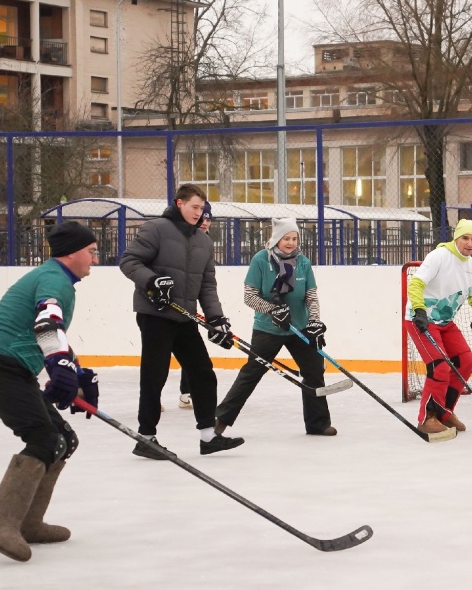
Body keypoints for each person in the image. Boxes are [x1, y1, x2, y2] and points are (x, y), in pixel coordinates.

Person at [0, 221, 101, 562]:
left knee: (62, 438)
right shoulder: (55, 279)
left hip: (12, 369)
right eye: (91, 251)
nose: (95, 260)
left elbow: (48, 332)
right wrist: (59, 366)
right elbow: (46, 323)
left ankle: (28, 523)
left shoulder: (54, 277)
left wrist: (76, 369)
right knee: (45, 440)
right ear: (72, 252)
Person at [119, 184, 243, 458]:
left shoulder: (204, 242)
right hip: (155, 315)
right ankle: (146, 437)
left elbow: (207, 286)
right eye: (194, 207)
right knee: (155, 375)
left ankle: (209, 436)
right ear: (179, 203)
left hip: (183, 316)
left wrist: (216, 318)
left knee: (203, 372)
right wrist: (152, 281)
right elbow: (129, 261)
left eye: (202, 209)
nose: (199, 214)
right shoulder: (156, 229)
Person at [214, 218, 335, 436]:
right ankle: (221, 420)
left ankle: (318, 424)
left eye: (294, 238)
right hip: (268, 328)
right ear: (277, 239)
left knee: (314, 371)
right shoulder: (261, 260)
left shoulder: (303, 262)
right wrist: (272, 310)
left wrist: (315, 321)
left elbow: (311, 296)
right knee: (251, 372)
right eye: (286, 238)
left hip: (299, 327)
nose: (290, 243)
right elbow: (249, 297)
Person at [404, 219, 472, 434]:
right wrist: (420, 311)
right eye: (465, 238)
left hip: (445, 323)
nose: (470, 243)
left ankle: (444, 411)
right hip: (421, 320)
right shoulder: (439, 256)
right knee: (439, 366)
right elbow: (416, 283)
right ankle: (428, 417)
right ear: (456, 238)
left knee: (465, 362)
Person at [178, 200, 214, 410]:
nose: (204, 222)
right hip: (168, 305)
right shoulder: (180, 238)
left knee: (192, 353)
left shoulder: (205, 242)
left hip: (189, 306)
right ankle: (153, 398)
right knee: (160, 358)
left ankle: (187, 392)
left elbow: (205, 280)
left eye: (208, 218)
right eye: (201, 217)